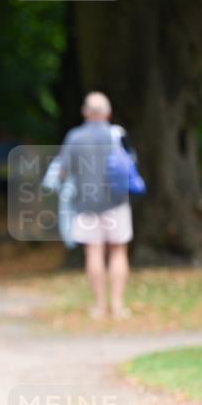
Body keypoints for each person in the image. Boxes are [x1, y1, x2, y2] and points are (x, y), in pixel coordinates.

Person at [57, 91, 136, 319]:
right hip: (117, 202)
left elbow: (63, 172)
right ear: (108, 113)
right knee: (118, 251)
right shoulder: (117, 134)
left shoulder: (74, 137)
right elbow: (131, 163)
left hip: (85, 203)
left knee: (93, 251)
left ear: (85, 112)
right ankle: (118, 306)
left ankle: (99, 306)